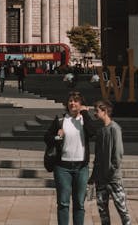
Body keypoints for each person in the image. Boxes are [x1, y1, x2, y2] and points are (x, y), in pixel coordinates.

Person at [44, 91, 98, 225]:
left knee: (79, 203)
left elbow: (93, 133)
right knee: (63, 203)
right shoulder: (61, 120)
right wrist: (57, 137)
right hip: (62, 168)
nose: (72, 103)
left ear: (81, 104)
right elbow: (47, 138)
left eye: (76, 101)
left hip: (81, 168)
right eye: (70, 101)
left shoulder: (84, 120)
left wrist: (84, 113)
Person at [89, 100, 131, 225]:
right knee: (102, 212)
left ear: (105, 111)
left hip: (113, 178)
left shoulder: (115, 129)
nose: (95, 114)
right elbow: (97, 157)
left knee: (122, 209)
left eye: (97, 111)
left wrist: (111, 170)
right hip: (100, 179)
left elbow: (118, 153)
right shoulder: (101, 131)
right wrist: (93, 177)